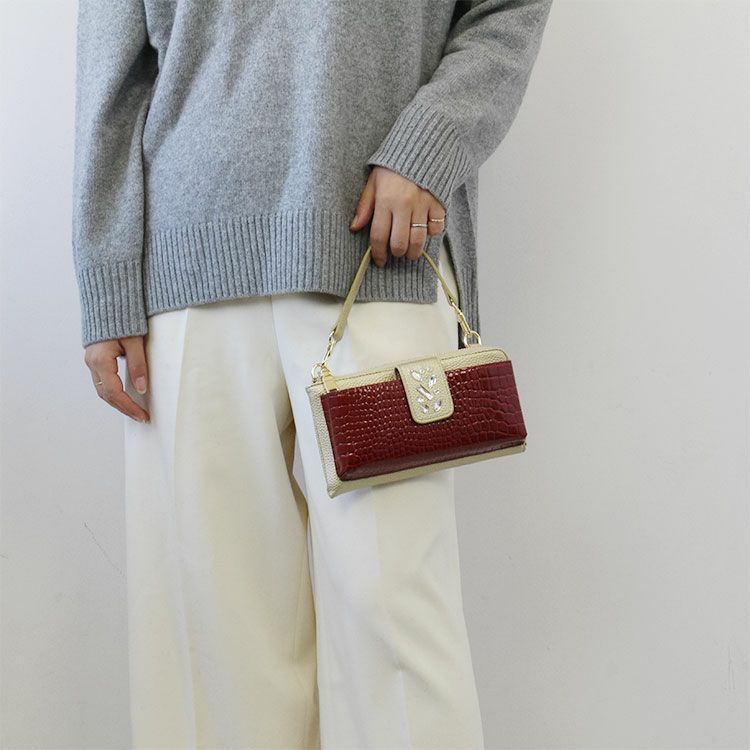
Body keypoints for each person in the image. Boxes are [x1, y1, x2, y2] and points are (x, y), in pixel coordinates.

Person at [71, 1, 552, 747]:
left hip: (382, 258)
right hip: (187, 269)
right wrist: (106, 274)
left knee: (397, 621)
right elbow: (112, 66)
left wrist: (430, 145)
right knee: (212, 632)